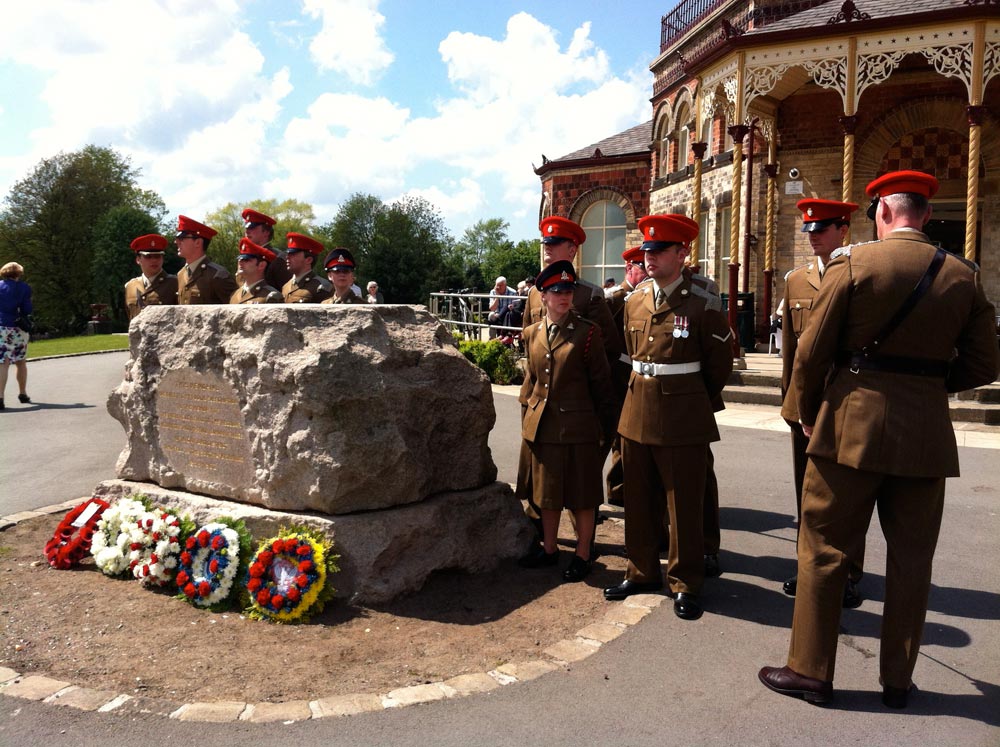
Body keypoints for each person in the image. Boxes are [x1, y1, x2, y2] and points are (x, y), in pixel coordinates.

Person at [759, 170, 999, 708]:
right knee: (912, 560)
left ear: (883, 212)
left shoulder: (855, 263)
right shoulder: (962, 276)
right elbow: (985, 361)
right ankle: (897, 681)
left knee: (823, 546)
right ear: (923, 214)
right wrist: (930, 383)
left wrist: (802, 411)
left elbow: (812, 349)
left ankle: (811, 671)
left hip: (850, 427)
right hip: (925, 436)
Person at [603, 214, 734, 622]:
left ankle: (686, 582)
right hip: (637, 410)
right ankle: (641, 571)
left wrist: (693, 400)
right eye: (647, 250)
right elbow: (630, 354)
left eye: (659, 251)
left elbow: (719, 365)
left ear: (682, 253)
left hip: (683, 414)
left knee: (684, 505)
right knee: (638, 500)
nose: (650, 257)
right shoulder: (636, 299)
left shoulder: (703, 302)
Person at [519, 216, 623, 553]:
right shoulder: (537, 293)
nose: (547, 251)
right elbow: (529, 340)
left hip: (578, 407)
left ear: (573, 249)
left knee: (580, 483)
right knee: (541, 479)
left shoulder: (591, 295)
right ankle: (543, 539)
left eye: (554, 245)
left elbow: (607, 349)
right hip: (539, 403)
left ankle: (584, 544)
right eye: (545, 245)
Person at [779, 198, 863, 608]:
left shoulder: (861, 274)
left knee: (845, 495)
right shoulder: (796, 280)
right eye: (808, 230)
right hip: (805, 406)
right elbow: (792, 354)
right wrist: (791, 405)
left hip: (845, 403)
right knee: (806, 494)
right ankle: (807, 567)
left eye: (822, 228)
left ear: (843, 229)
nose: (813, 236)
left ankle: (847, 572)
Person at [603, 246, 649, 509]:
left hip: (637, 373)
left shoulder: (649, 296)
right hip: (617, 372)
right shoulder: (614, 298)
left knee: (629, 435)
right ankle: (616, 489)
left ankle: (622, 488)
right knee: (615, 434)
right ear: (628, 269)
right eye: (640, 267)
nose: (645, 272)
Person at [175, 216, 238, 304]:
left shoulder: (217, 275)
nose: (176, 242)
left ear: (198, 242)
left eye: (182, 238)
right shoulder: (181, 274)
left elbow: (234, 309)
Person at [0, 262, 32, 410]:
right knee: (21, 362)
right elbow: (27, 309)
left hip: (1, 328)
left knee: (3, 363)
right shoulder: (24, 288)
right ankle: (23, 393)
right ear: (18, 273)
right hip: (18, 328)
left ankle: (0, 397)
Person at [124, 234, 178, 320]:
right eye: (148, 256)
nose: (154, 260)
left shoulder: (175, 284)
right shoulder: (130, 286)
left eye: (158, 256)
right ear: (138, 259)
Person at [242, 208, 292, 291]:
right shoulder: (243, 258)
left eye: (252, 228)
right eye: (246, 228)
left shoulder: (277, 259)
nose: (247, 231)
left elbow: (287, 292)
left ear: (266, 232)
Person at [229, 238, 284, 304]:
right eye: (240, 259)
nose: (240, 262)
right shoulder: (235, 295)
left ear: (261, 265)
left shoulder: (271, 296)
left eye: (246, 260)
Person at [282, 232, 332, 303]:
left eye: (293, 254)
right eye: (288, 254)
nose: (287, 257)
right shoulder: (286, 286)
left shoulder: (322, 287)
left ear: (308, 260)